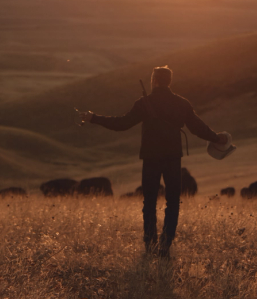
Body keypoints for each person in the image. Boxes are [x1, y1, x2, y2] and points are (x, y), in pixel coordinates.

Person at [79, 66, 228, 257]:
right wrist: (217, 138)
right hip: (173, 158)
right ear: (169, 81)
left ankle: (150, 244)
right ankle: (165, 245)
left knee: (149, 202)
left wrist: (94, 118)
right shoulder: (181, 103)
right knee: (173, 202)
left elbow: (122, 124)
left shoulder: (144, 103)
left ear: (154, 81)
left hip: (150, 158)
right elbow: (198, 128)